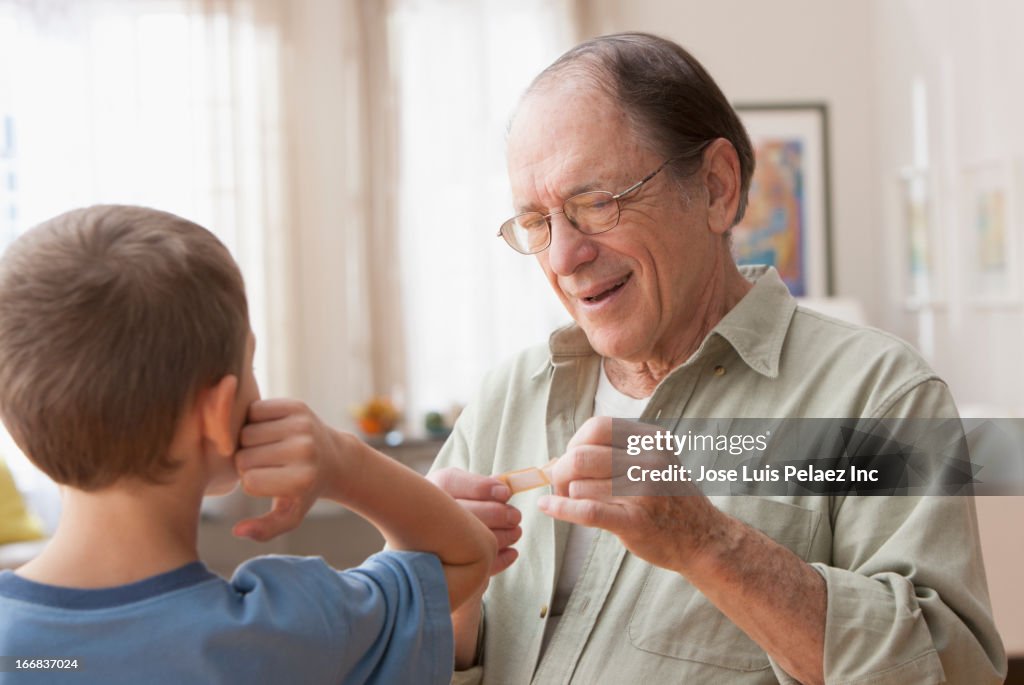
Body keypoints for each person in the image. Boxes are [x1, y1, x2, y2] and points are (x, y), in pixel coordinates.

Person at [428, 33, 1006, 684]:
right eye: (537, 223)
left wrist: (710, 543)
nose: (562, 258)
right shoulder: (507, 397)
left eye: (595, 204)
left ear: (716, 188)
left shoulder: (881, 395)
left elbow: (950, 670)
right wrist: (443, 596)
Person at [0, 205, 496, 684]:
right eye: (250, 364)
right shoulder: (295, 627)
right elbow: (465, 555)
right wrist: (341, 461)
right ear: (219, 414)